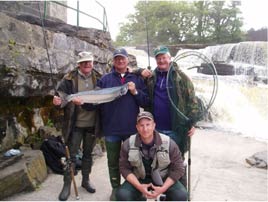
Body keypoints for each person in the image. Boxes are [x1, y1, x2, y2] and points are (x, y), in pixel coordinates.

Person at [97, 48, 150, 200]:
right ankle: (115, 188)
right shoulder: (105, 79)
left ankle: (135, 188)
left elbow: (146, 101)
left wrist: (135, 92)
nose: (120, 61)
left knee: (134, 160)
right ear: (113, 61)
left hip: (131, 130)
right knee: (113, 161)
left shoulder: (137, 78)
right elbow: (95, 102)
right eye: (117, 58)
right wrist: (82, 102)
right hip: (111, 129)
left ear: (127, 60)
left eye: (122, 58)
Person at [53, 51, 101, 201]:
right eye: (84, 62)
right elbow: (61, 97)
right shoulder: (68, 79)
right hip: (74, 125)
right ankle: (67, 184)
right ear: (79, 64)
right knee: (70, 156)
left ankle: (85, 180)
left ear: (93, 63)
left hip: (93, 124)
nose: (87, 64)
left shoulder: (100, 78)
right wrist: (58, 102)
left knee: (88, 155)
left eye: (89, 61)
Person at [141, 46, 200, 156]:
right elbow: (131, 74)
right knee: (158, 163)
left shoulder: (182, 77)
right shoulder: (151, 78)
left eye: (164, 57)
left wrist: (193, 123)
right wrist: (140, 71)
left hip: (176, 129)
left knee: (176, 163)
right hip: (155, 129)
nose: (161, 61)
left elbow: (193, 101)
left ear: (170, 58)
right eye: (158, 58)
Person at [116, 111, 188, 201]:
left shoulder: (169, 143)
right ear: (137, 127)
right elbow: (124, 168)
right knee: (122, 195)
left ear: (154, 125)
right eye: (141, 125)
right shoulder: (128, 144)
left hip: (163, 178)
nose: (145, 129)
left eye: (148, 124)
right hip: (139, 178)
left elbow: (179, 168)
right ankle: (139, 198)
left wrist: (163, 188)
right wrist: (139, 187)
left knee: (181, 195)